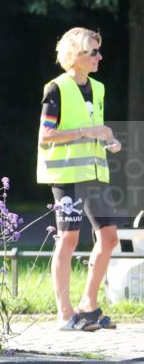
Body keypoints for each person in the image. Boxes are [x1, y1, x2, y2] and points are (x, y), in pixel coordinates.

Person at [36, 27, 121, 331]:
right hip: (67, 174)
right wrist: (88, 132)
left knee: (109, 239)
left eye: (99, 50)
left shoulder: (98, 88)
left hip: (95, 173)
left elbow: (93, 126)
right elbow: (46, 135)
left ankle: (89, 304)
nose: (100, 56)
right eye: (93, 51)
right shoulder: (56, 88)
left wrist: (108, 138)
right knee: (68, 239)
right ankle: (65, 314)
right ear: (75, 55)